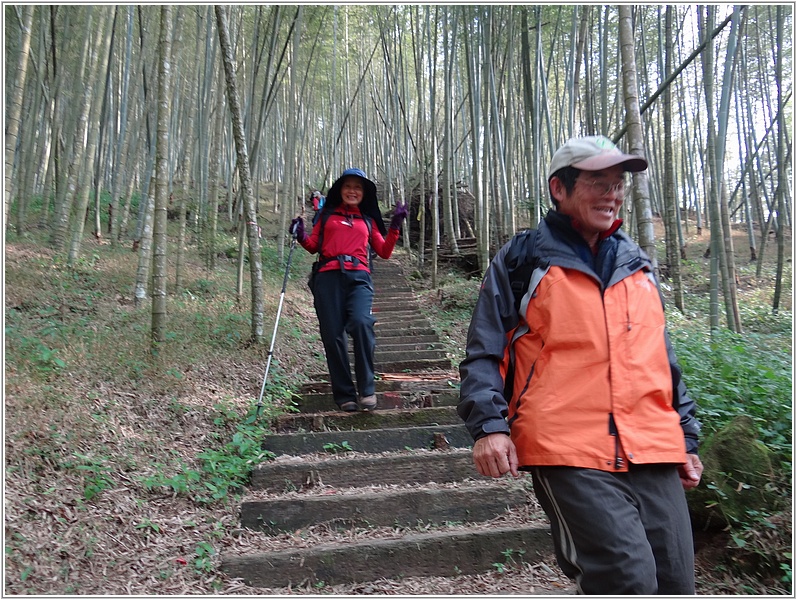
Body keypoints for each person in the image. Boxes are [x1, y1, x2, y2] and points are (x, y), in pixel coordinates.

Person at [457, 135, 703, 595]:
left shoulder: (637, 264)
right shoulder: (524, 260)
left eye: (618, 184)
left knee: (675, 583)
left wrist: (686, 437)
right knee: (624, 578)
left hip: (652, 442)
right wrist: (489, 426)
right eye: (598, 182)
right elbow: (485, 350)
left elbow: (661, 359)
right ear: (559, 188)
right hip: (565, 443)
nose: (612, 194)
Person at [291, 168, 408, 412]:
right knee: (333, 335)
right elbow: (313, 246)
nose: (352, 191)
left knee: (362, 322)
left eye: (358, 187)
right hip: (327, 277)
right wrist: (301, 234)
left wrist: (395, 225)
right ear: (339, 190)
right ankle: (344, 394)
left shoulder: (367, 220)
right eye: (348, 186)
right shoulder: (326, 215)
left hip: (359, 277)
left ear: (364, 194)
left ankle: (367, 389)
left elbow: (384, 252)